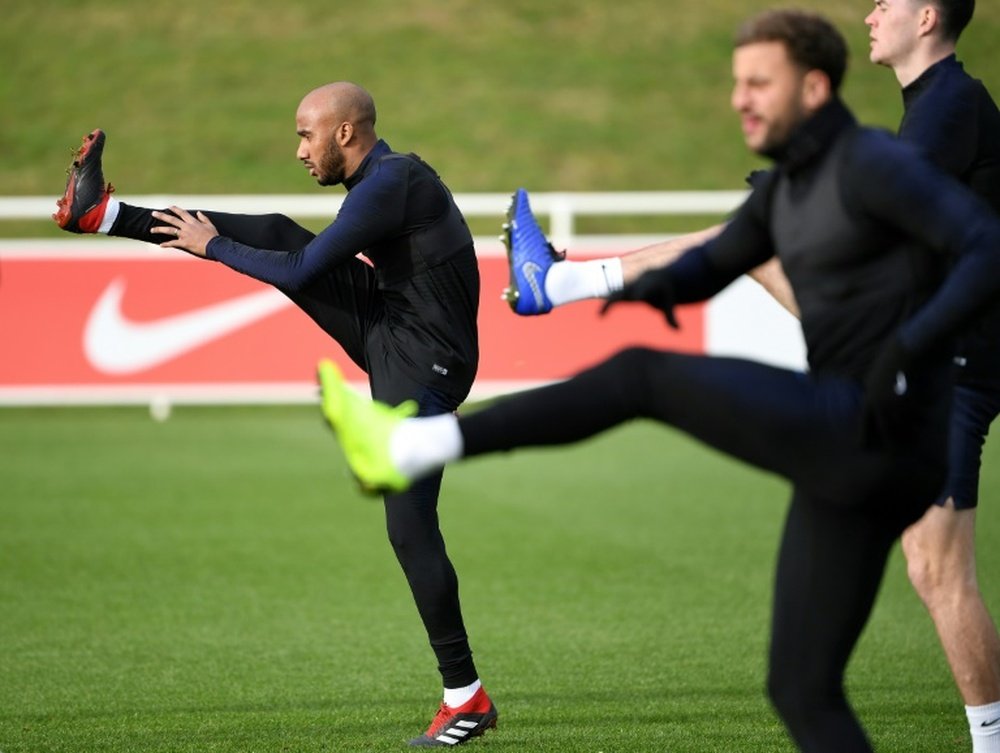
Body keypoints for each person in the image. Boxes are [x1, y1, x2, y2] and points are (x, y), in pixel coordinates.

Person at [314, 11, 1000, 753]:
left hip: (897, 411)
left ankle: (416, 442)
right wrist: (615, 290)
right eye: (737, 83)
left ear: (812, 86)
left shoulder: (874, 159)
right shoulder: (793, 188)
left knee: (642, 378)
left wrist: (911, 343)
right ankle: (520, 321)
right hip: (853, 427)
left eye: (756, 83)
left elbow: (983, 246)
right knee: (801, 687)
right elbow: (707, 264)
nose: (739, 99)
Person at [52, 82, 498, 747]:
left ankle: (466, 698)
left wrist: (213, 247)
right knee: (279, 229)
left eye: (304, 134)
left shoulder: (392, 181)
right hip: (395, 325)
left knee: (409, 528)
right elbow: (299, 254)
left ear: (345, 133)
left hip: (425, 365)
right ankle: (105, 214)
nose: (298, 150)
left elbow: (301, 270)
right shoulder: (383, 179)